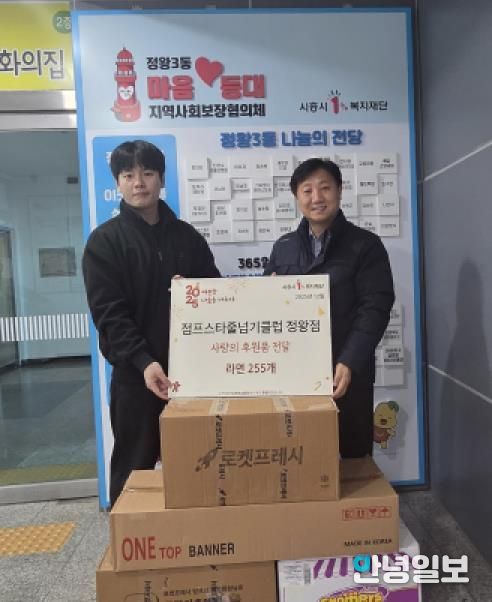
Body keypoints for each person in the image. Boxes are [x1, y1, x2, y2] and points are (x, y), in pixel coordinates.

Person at [82, 140, 220, 506]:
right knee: (135, 471)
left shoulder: (187, 237)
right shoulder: (105, 242)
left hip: (192, 376)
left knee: (198, 464)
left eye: (147, 173)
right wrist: (144, 362)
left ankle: (195, 535)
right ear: (118, 182)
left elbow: (217, 294)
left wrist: (195, 292)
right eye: (128, 175)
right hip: (137, 377)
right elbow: (109, 314)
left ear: (161, 179)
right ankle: (132, 536)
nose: (138, 183)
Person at [264, 158, 394, 458]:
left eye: (325, 188)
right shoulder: (283, 247)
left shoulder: (366, 245)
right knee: (298, 454)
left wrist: (349, 361)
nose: (316, 197)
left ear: (339, 190)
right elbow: (265, 306)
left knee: (352, 457)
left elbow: (375, 307)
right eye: (307, 190)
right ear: (296, 196)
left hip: (346, 372)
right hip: (294, 371)